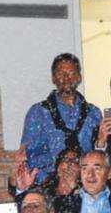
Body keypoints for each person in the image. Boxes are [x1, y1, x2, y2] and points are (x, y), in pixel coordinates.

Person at [21, 53, 101, 183]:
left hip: (87, 187)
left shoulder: (94, 113)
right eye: (60, 73)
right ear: (53, 78)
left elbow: (99, 157)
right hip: (48, 187)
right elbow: (27, 157)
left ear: (79, 77)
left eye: (72, 73)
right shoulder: (38, 112)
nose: (66, 78)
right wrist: (52, 183)